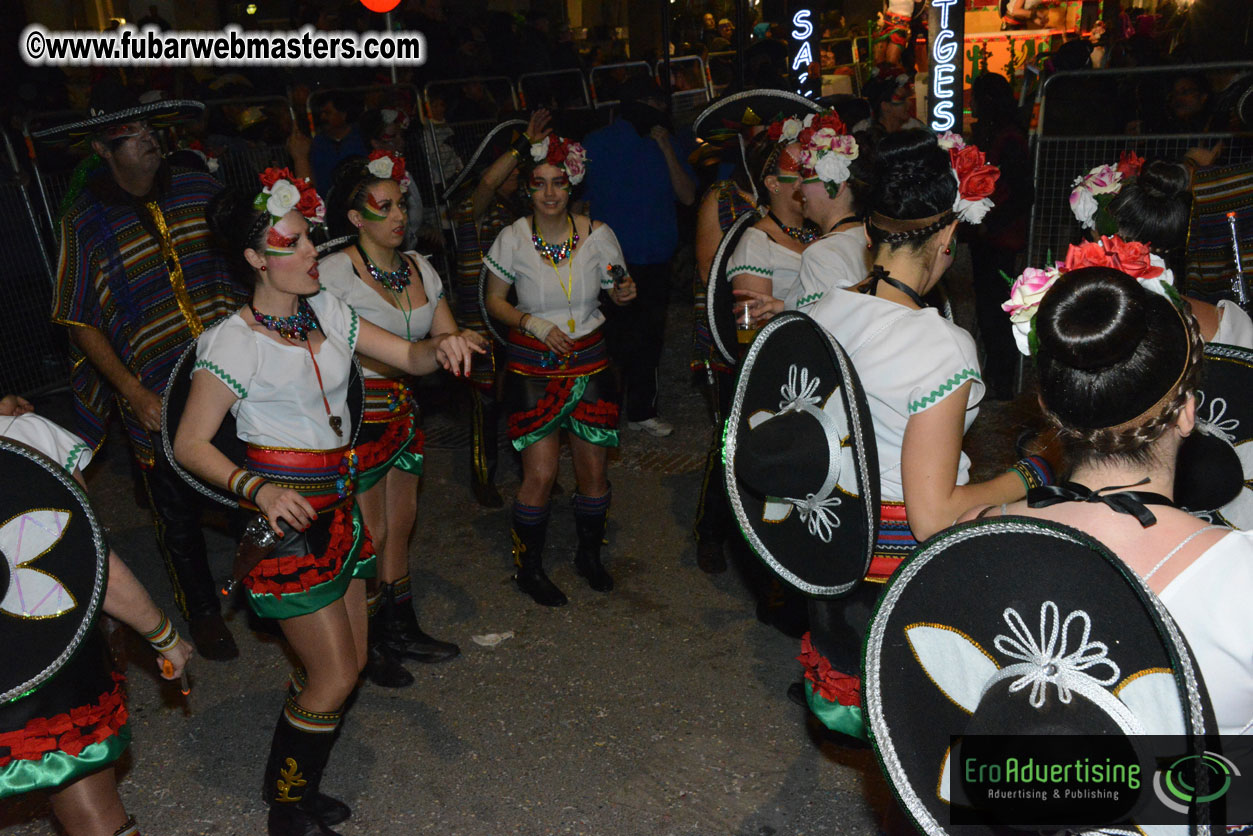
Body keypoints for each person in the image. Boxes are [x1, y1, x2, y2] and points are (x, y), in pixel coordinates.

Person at [173, 169, 482, 835]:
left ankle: (293, 780)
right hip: (287, 528)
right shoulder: (233, 341)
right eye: (293, 242)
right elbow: (191, 444)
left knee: (341, 665)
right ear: (256, 259)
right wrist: (257, 488)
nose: (313, 249)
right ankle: (285, 808)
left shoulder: (329, 313)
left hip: (339, 513)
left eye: (309, 237)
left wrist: (444, 345)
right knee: (336, 676)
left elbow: (407, 354)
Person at [803, 129, 1046, 734]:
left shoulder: (818, 310)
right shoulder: (941, 347)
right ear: (946, 237)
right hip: (898, 580)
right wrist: (1027, 477)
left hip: (831, 560)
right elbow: (931, 517)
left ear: (868, 232)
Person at [967, 266, 1253, 736]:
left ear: (1047, 408)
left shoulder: (977, 535)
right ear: (1186, 414)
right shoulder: (1240, 580)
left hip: (1020, 795)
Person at [43, 83, 244, 661]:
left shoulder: (198, 185)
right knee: (175, 507)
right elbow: (77, 317)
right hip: (152, 383)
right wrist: (131, 391)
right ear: (105, 149)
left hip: (229, 366)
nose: (151, 141)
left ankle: (266, 593)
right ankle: (203, 613)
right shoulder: (86, 222)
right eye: (134, 135)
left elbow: (248, 251)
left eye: (153, 130)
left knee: (251, 480)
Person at [0, 395, 193, 836]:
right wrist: (163, 636)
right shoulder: (28, 438)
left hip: (39, 666)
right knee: (96, 819)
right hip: (46, 670)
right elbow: (93, 564)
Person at [321, 151, 463, 688]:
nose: (399, 216)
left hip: (404, 409)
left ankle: (401, 627)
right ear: (356, 218)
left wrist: (460, 343)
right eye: (384, 208)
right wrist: (418, 352)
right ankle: (368, 641)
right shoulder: (333, 273)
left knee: (400, 524)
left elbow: (443, 331)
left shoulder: (420, 266)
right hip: (357, 416)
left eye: (401, 205)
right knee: (370, 531)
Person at [483, 135, 637, 607]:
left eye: (559, 183)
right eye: (540, 184)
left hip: (590, 362)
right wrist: (530, 322)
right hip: (533, 366)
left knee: (594, 474)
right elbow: (492, 301)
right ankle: (528, 569)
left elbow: (619, 287)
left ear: (572, 185)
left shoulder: (598, 234)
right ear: (527, 188)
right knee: (542, 474)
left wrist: (624, 292)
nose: (550, 193)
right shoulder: (511, 237)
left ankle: (589, 558)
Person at [581, 75, 698, 438]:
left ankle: (642, 409)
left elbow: (688, 195)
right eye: (656, 105)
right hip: (610, 262)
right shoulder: (597, 144)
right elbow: (579, 200)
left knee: (649, 337)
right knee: (611, 338)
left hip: (656, 256)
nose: (660, 112)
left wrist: (665, 149)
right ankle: (605, 412)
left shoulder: (666, 142)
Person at [448, 111, 553, 508]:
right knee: (485, 405)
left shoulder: (520, 212)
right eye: (512, 168)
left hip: (514, 321)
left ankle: (536, 469)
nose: (515, 176)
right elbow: (491, 181)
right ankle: (483, 476)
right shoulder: (468, 209)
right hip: (479, 325)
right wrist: (523, 141)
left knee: (526, 397)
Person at [734, 110, 866, 319]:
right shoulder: (756, 243)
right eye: (800, 170)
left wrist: (782, 306)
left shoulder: (824, 237)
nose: (800, 183)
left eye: (807, 172)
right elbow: (753, 323)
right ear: (773, 184)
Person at [968, 73, 1034, 399]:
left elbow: (1023, 192)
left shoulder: (1008, 138)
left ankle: (1002, 380)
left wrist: (990, 224)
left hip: (999, 237)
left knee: (997, 311)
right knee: (990, 309)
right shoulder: (998, 133)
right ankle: (997, 376)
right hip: (989, 236)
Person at [310, 93, 366, 195]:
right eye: (321, 113)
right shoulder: (317, 143)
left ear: (343, 114)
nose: (323, 117)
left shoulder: (362, 138)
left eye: (327, 113)